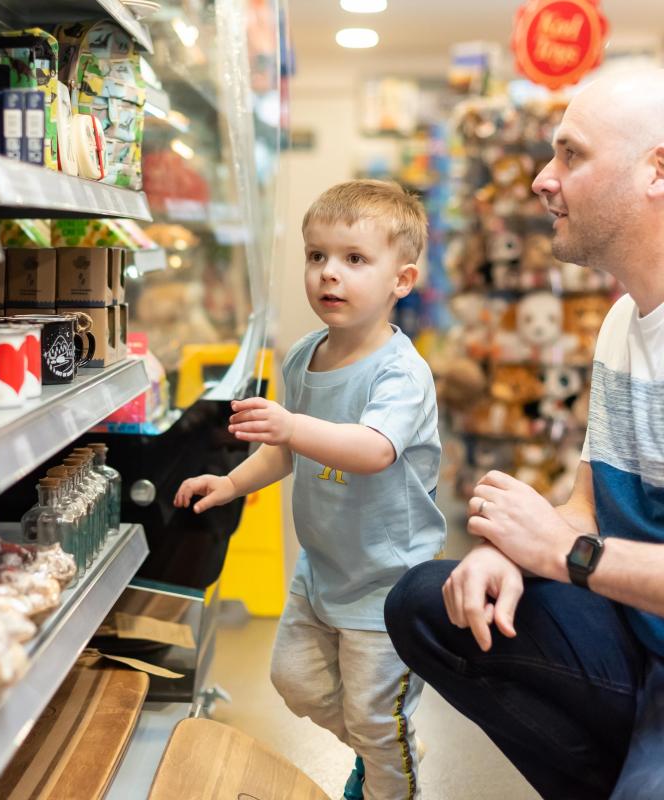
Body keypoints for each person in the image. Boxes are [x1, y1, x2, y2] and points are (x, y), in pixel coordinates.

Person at [384, 69, 664, 800]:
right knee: (427, 600)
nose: (543, 179)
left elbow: (579, 540)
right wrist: (517, 555)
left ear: (657, 171)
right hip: (644, 638)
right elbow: (592, 497)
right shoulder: (623, 321)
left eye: (571, 155)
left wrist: (565, 554)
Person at [175, 179, 446, 800]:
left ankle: (385, 773)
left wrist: (292, 424)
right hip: (321, 569)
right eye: (317, 256)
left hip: (389, 580)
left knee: (377, 718)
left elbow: (375, 450)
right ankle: (385, 746)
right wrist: (232, 482)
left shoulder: (401, 373)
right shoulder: (303, 357)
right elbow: (285, 452)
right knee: (295, 680)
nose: (329, 274)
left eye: (354, 259)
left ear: (400, 281)